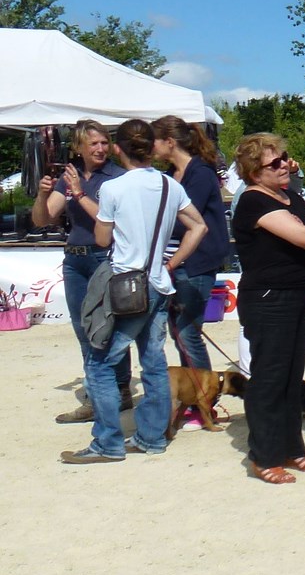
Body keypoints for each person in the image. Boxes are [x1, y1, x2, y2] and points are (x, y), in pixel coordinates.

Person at [60, 119, 208, 464]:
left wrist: (83, 198)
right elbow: (199, 226)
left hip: (125, 284)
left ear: (118, 148)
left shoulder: (114, 188)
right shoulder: (170, 185)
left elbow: (102, 239)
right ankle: (151, 437)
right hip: (158, 282)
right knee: (153, 362)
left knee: (100, 363)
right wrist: (171, 263)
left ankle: (107, 442)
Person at [230, 133, 305, 484]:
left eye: (285, 157)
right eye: (274, 163)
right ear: (254, 171)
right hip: (268, 298)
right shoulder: (253, 201)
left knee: (291, 376)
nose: (284, 165)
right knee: (269, 378)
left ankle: (291, 447)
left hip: (297, 292)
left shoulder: (289, 197)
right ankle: (265, 455)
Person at [33, 120, 133, 423]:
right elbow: (42, 219)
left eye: (104, 143)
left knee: (109, 326)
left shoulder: (117, 177)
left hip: (105, 256)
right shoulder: (70, 176)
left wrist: (79, 194)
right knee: (82, 329)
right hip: (75, 259)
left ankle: (118, 388)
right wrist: (42, 194)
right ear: (79, 147)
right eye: (94, 144)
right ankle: (98, 393)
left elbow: (111, 220)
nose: (101, 149)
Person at [151, 116, 231, 380]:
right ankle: (195, 388)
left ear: (169, 142)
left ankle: (205, 391)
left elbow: (184, 219)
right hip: (175, 262)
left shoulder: (201, 174)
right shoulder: (170, 175)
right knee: (179, 332)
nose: (151, 147)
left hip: (197, 263)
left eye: (154, 140)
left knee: (188, 332)